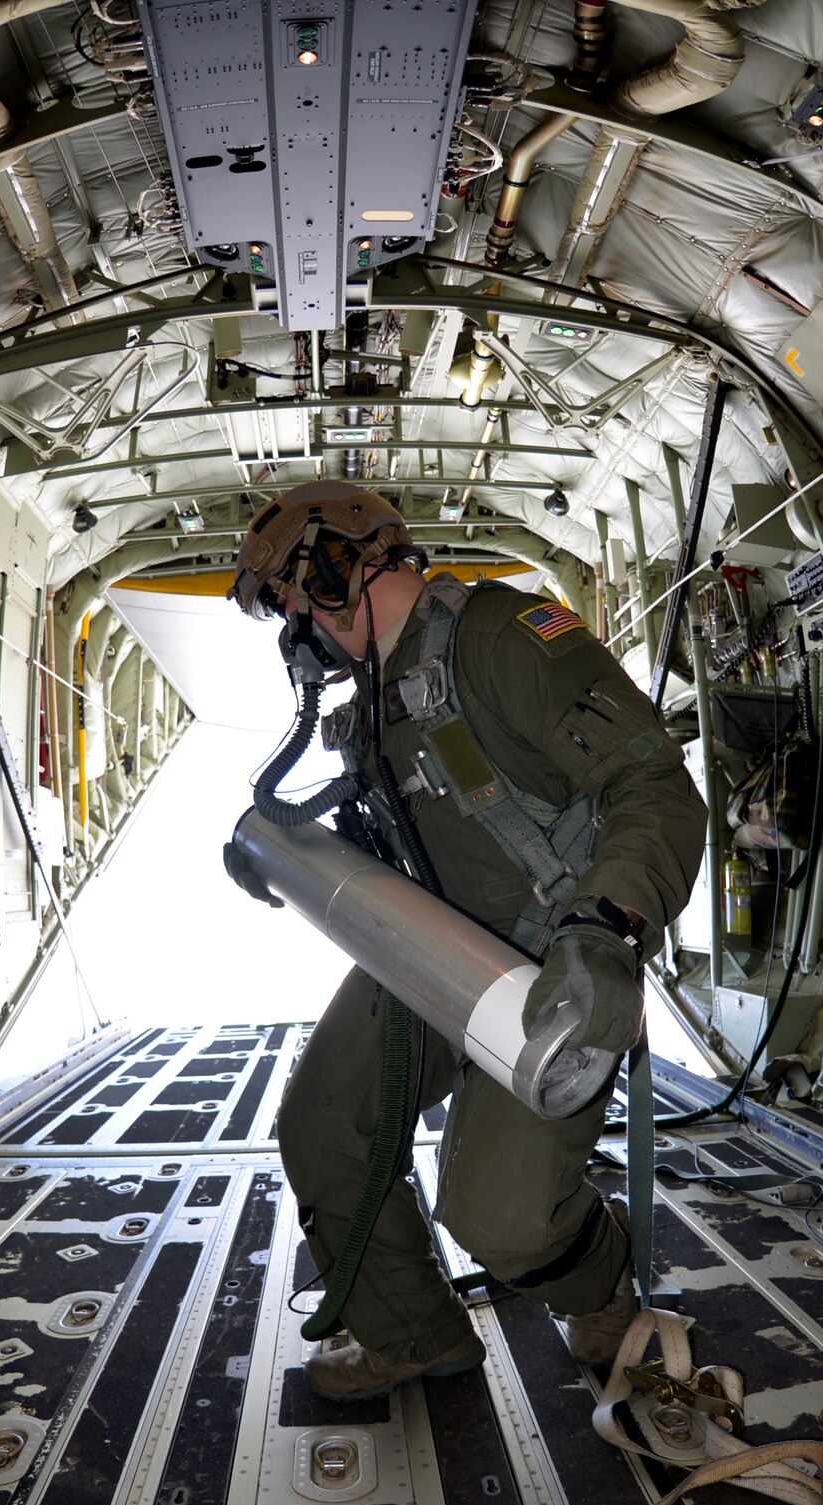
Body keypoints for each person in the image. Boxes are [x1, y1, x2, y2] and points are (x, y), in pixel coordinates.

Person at [225, 480, 707, 1400]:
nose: (298, 633)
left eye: (293, 604)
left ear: (333, 571)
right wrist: (279, 850)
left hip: (551, 964)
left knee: (502, 1221)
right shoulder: (373, 692)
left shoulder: (500, 638)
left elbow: (652, 789)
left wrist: (607, 930)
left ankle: (602, 1296)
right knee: (325, 1125)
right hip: (429, 952)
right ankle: (412, 1333)